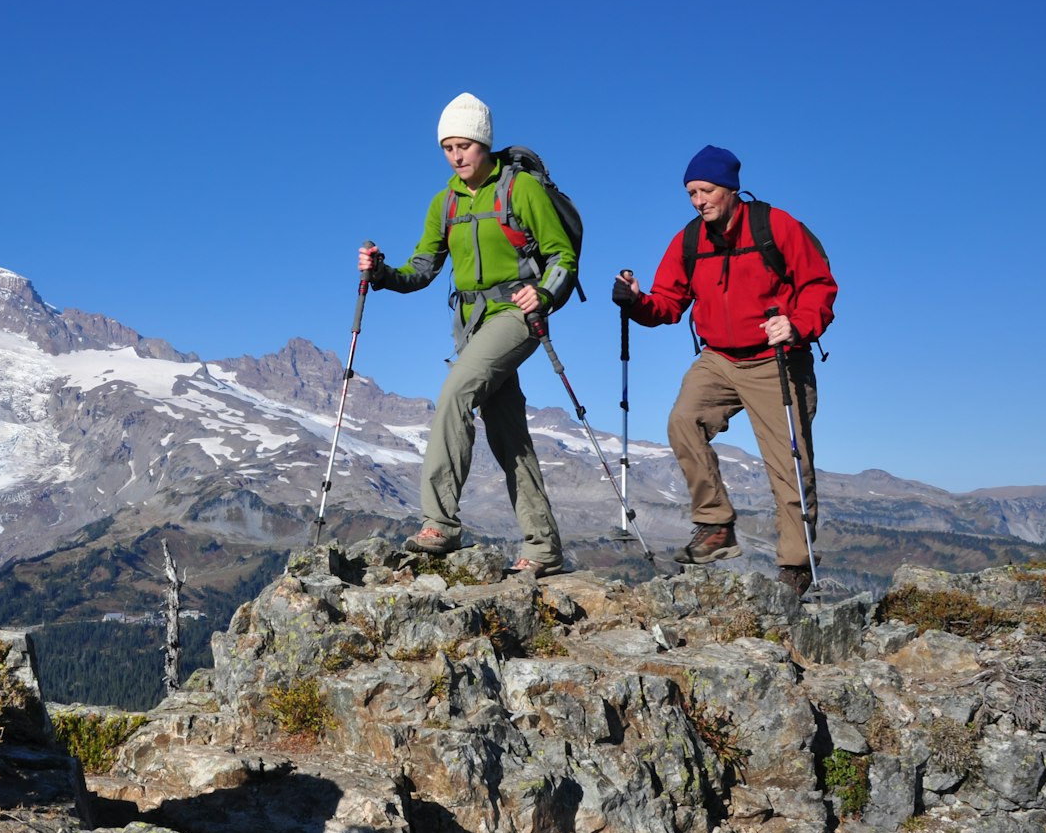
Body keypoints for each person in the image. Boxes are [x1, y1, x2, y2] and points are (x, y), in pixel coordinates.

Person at [359, 92, 575, 574]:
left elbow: (563, 256)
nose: (457, 156)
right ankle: (544, 547)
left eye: (466, 146)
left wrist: (543, 293)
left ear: (484, 143)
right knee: (508, 433)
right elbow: (421, 269)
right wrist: (380, 275)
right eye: (448, 148)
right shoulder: (445, 202)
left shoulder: (520, 189)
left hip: (516, 317)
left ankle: (440, 522)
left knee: (456, 393)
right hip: (470, 327)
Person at [613, 145, 838, 596]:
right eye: (692, 192)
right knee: (683, 421)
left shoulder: (776, 227)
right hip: (719, 356)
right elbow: (670, 303)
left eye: (707, 190)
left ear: (730, 188)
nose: (699, 200)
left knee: (788, 465)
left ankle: (796, 566)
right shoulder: (689, 240)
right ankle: (716, 525)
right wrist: (637, 301)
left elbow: (819, 285)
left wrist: (796, 324)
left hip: (776, 358)